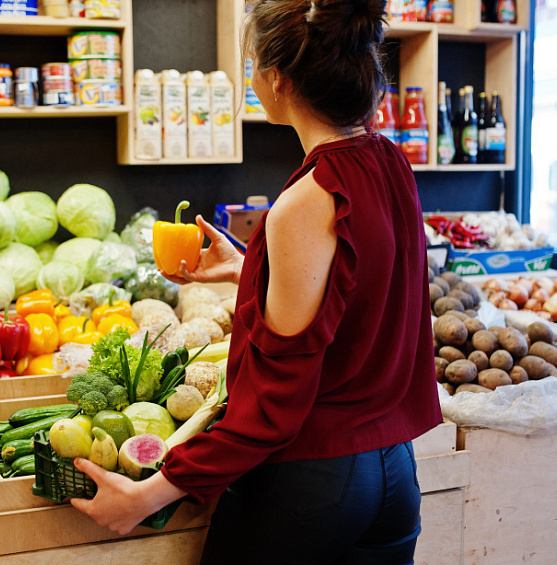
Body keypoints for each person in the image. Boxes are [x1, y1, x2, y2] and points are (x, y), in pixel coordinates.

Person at [70, 0, 443, 562]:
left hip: (311, 490)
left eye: (251, 65)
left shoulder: (304, 202)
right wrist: (253, 268)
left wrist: (148, 494)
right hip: (393, 477)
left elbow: (272, 406)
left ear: (276, 79)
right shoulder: (390, 162)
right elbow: (359, 294)